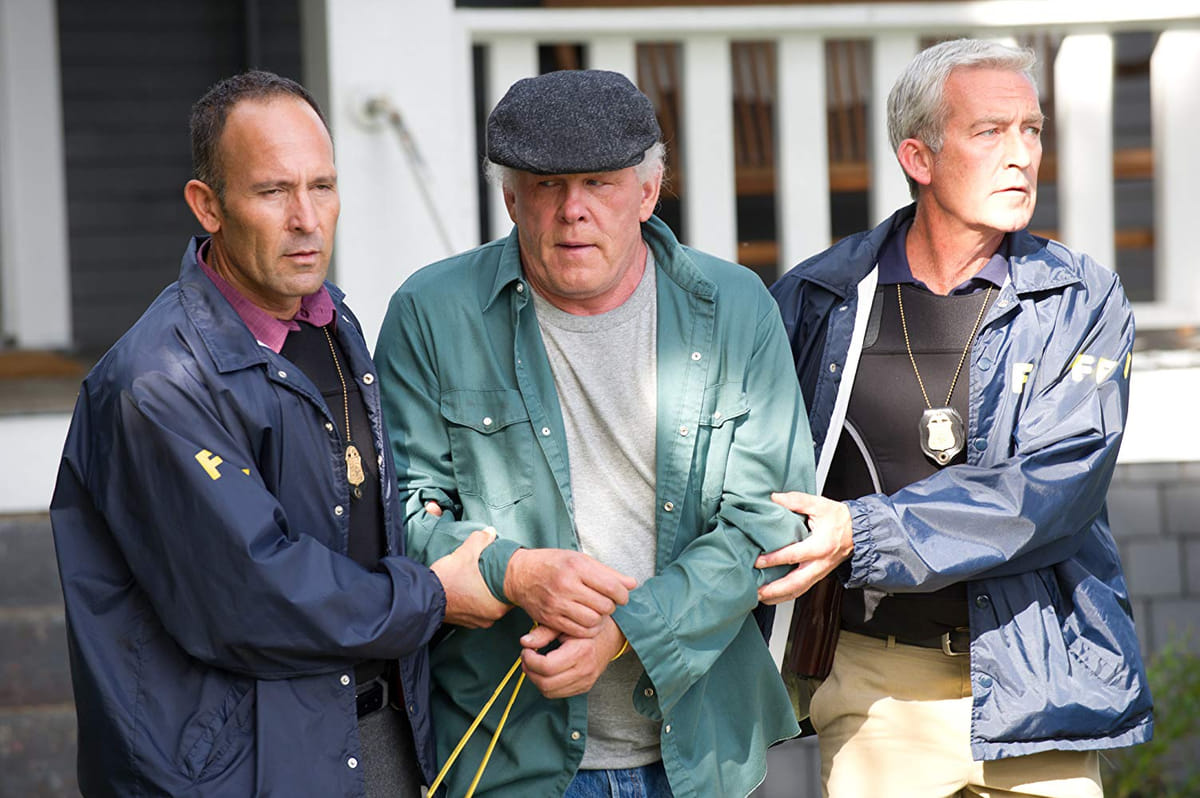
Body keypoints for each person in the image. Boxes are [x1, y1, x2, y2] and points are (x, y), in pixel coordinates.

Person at [49, 70, 504, 798]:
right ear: (208, 206)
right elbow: (254, 597)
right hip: (235, 771)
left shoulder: (329, 321)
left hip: (372, 737)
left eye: (322, 186)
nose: (306, 218)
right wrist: (434, 597)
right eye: (272, 191)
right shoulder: (158, 381)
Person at [374, 69, 813, 798]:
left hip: (701, 750)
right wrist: (513, 573)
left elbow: (766, 521)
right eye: (546, 185)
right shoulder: (431, 312)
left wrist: (624, 631)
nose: (572, 209)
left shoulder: (737, 307)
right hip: (505, 750)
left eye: (600, 183)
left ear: (648, 192)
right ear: (510, 198)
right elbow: (401, 519)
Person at [759, 38, 1153, 797]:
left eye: (1031, 130)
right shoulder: (820, 298)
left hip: (1039, 678)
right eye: (989, 131)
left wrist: (863, 531)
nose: (1022, 155)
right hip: (877, 689)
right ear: (919, 157)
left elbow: (1054, 488)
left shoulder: (1079, 299)